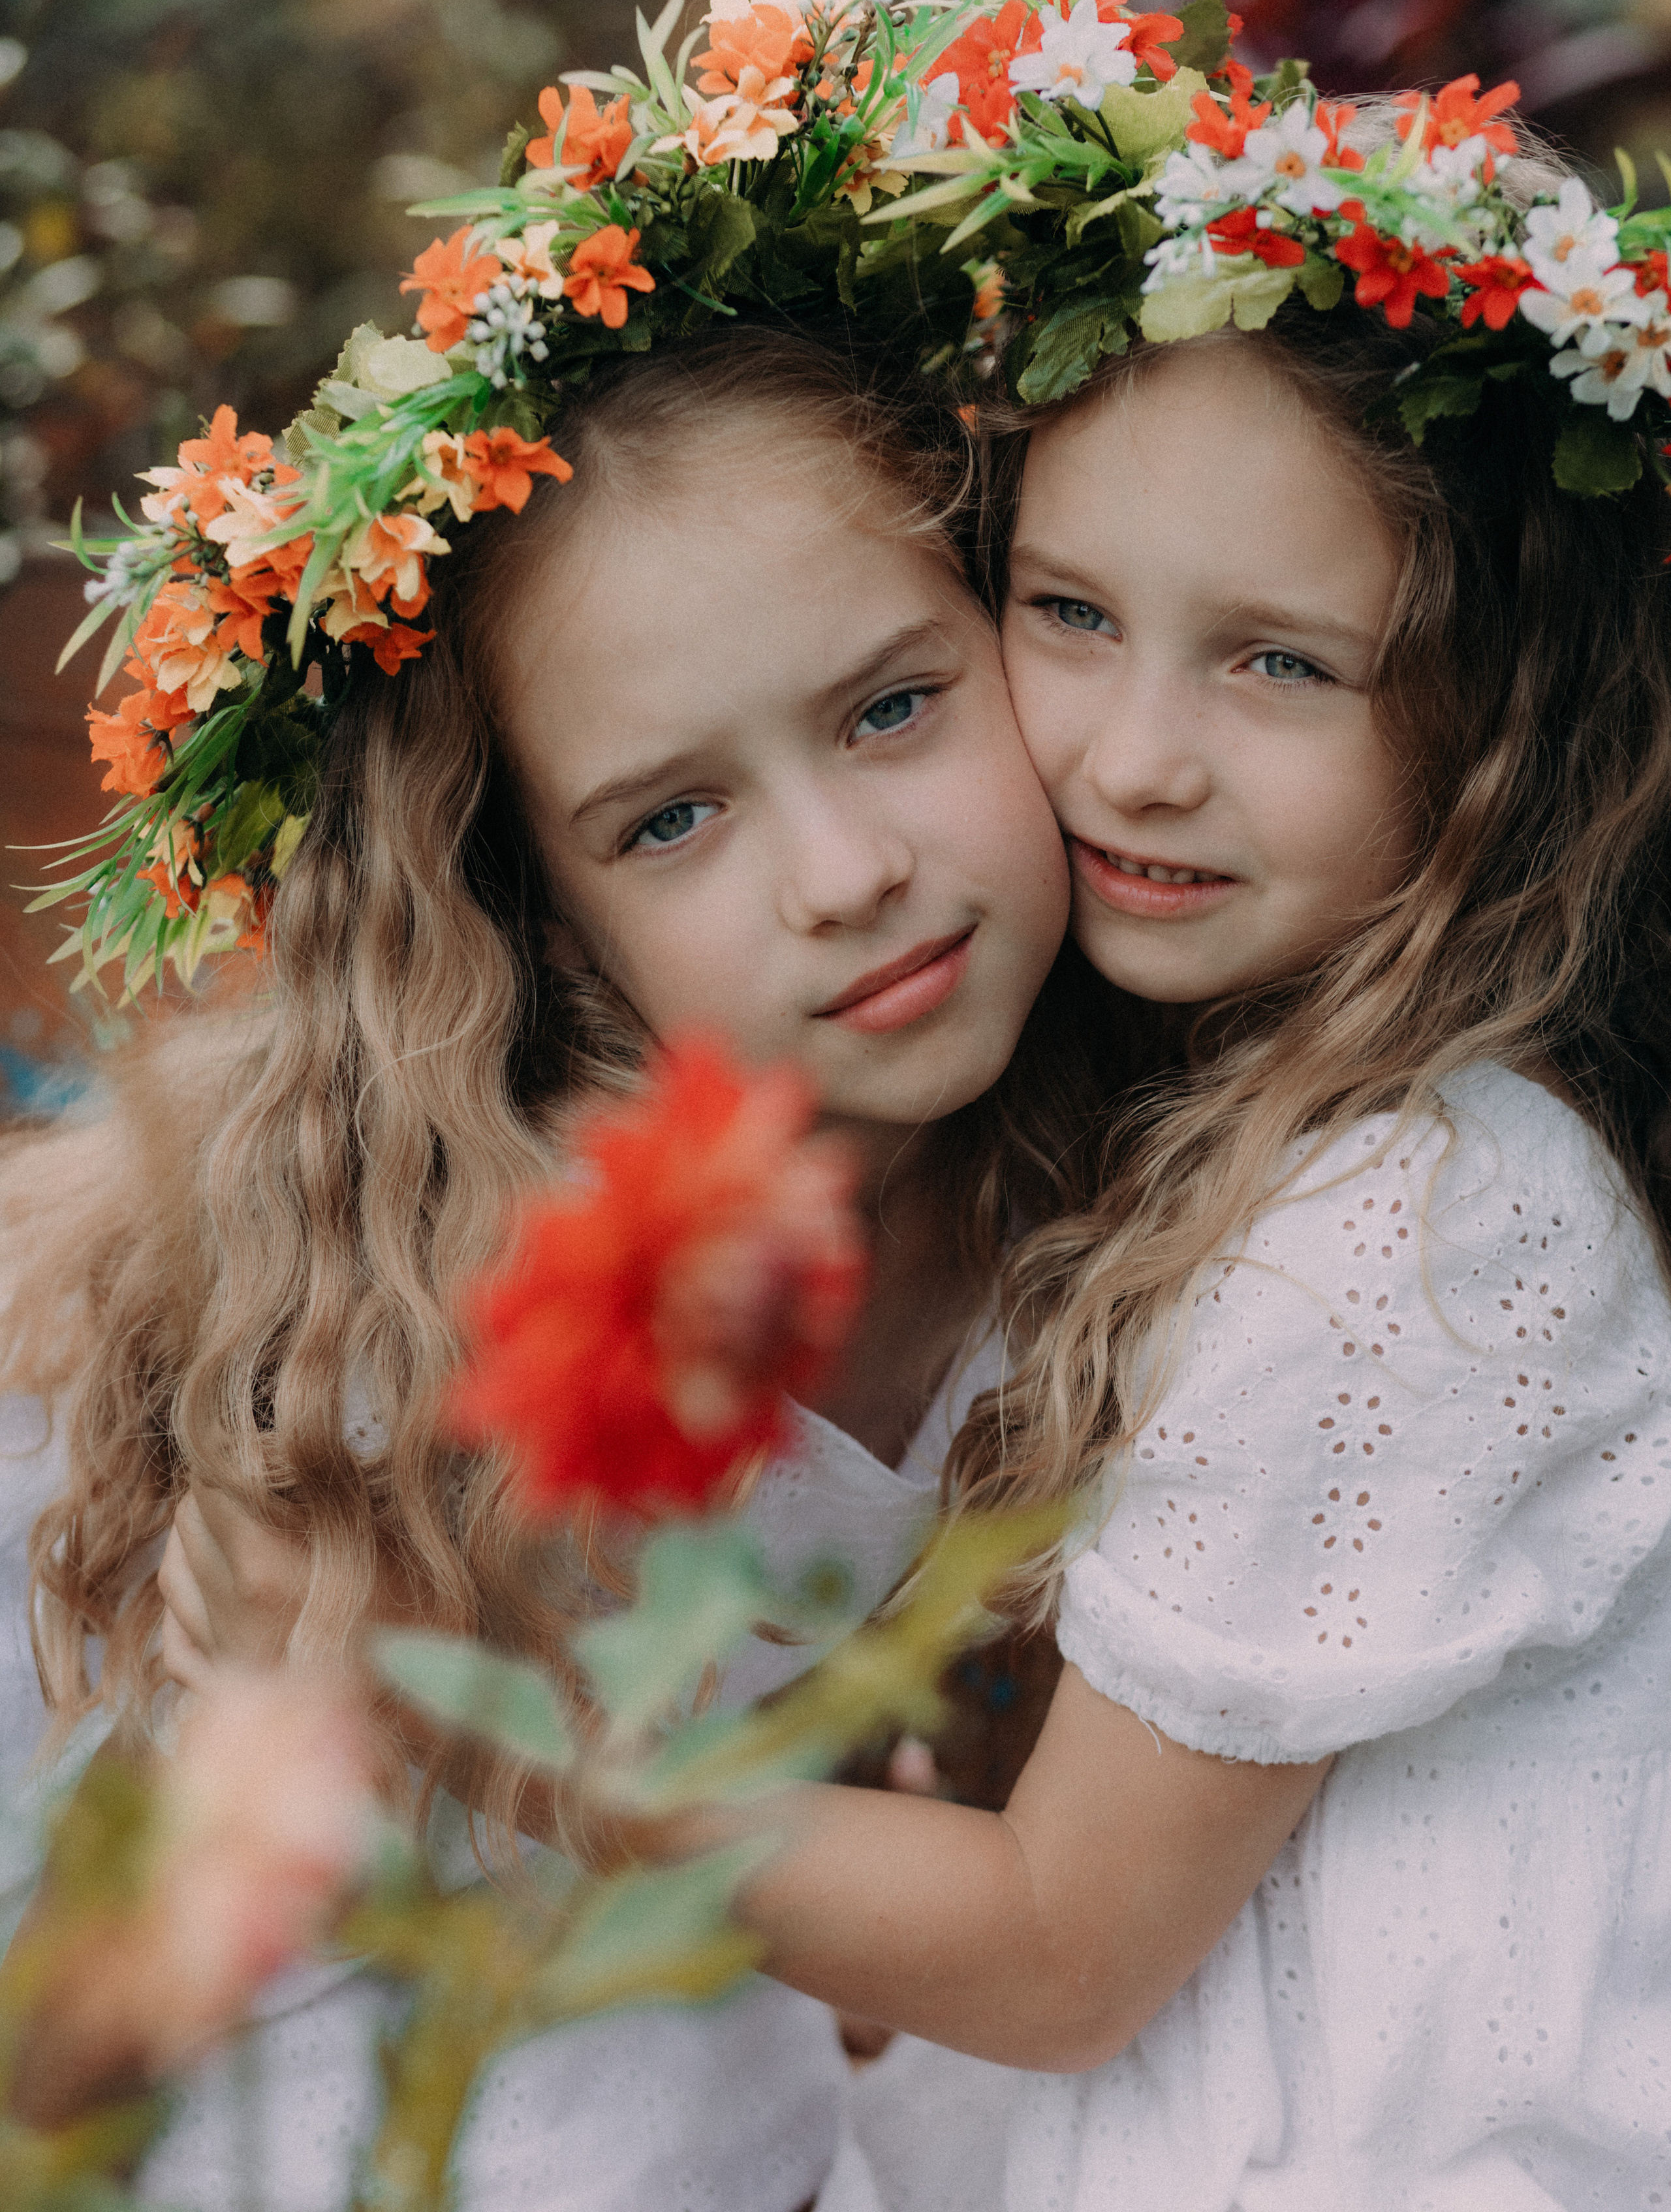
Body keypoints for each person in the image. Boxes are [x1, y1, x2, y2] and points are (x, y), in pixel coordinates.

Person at [614, 109, 1671, 2210]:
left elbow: (1062, 1956)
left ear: (1508, 714)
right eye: (1069, 611)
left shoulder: (1421, 1226)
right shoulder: (1306, 1130)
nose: (1130, 754)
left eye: (1281, 662)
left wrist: (503, 1765)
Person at [0, 318, 1106, 2209]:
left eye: (893, 708)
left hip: (679, 2079)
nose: (844, 872)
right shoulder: (430, 1319)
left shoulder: (1064, 1172)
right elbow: (92, 2001)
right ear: (557, 927)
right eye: (673, 819)